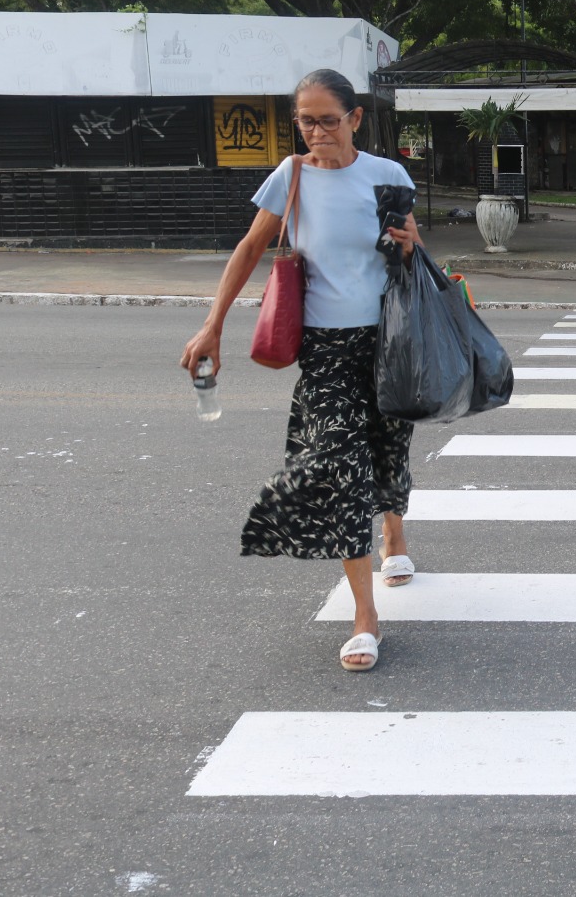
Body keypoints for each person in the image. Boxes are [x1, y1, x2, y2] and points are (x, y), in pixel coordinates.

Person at [180, 68, 422, 673]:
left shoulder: (387, 175)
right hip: (324, 347)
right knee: (341, 463)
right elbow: (249, 248)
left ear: (356, 119)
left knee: (387, 446)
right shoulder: (289, 177)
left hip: (388, 339)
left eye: (328, 120)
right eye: (305, 121)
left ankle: (394, 533)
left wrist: (412, 244)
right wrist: (213, 325)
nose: (316, 132)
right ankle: (364, 616)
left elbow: (408, 254)